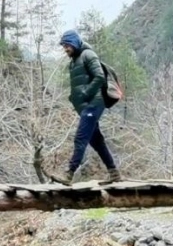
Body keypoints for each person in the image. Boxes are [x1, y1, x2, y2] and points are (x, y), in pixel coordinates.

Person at [50, 30, 121, 185]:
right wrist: (73, 97)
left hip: (94, 103)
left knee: (80, 137)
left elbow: (100, 77)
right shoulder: (74, 62)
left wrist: (85, 93)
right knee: (96, 141)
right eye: (64, 46)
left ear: (74, 42)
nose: (65, 49)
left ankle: (69, 174)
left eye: (67, 45)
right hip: (85, 106)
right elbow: (79, 84)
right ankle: (114, 173)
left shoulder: (88, 55)